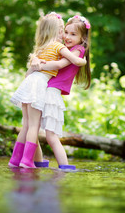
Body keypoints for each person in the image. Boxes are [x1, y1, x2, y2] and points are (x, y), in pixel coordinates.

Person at [9, 12, 87, 169]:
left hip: (30, 84)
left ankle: (17, 160)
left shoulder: (41, 49)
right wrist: (82, 61)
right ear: (56, 31)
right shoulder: (58, 47)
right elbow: (66, 63)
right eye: (63, 31)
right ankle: (28, 161)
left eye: (70, 33)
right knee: (35, 128)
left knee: (28, 125)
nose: (65, 36)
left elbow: (28, 73)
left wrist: (36, 66)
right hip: (41, 86)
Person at [31, 15, 92, 170]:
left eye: (73, 34)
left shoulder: (78, 50)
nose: (67, 36)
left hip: (52, 93)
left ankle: (64, 166)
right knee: (33, 130)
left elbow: (59, 65)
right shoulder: (64, 48)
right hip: (45, 90)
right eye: (66, 32)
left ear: (83, 37)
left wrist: (41, 64)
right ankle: (38, 162)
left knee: (51, 136)